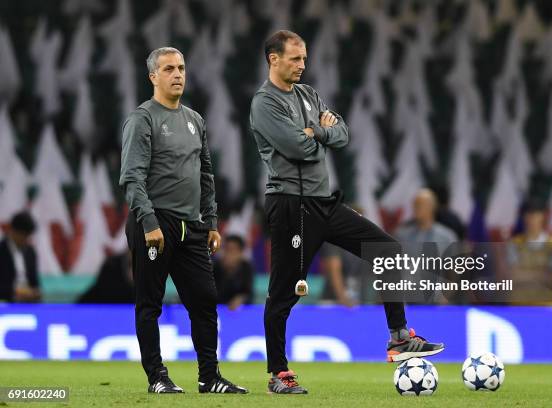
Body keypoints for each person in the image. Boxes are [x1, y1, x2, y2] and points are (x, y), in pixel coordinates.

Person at [250, 30, 444, 394]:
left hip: (324, 202)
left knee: (386, 248)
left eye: (304, 58)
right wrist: (317, 133)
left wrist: (317, 132)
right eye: (294, 59)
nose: (302, 65)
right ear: (273, 59)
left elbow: (342, 134)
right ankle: (278, 372)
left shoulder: (308, 94)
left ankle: (399, 337)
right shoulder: (265, 103)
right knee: (283, 293)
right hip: (292, 205)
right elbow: (295, 146)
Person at [119, 47, 247, 394]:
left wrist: (212, 222)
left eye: (181, 68)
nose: (178, 74)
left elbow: (206, 174)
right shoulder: (142, 119)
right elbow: (132, 177)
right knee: (150, 303)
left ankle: (210, 377)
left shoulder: (195, 119)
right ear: (153, 77)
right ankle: (156, 377)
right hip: (155, 222)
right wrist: (148, 222)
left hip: (193, 226)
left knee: (205, 301)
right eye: (169, 69)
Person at [0, 211, 41, 303]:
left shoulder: (31, 252)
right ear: (13, 231)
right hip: (6, 303)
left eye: (28, 236)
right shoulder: (1, 251)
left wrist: (35, 292)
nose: (26, 240)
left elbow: (34, 282)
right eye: (24, 235)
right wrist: (15, 293)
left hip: (29, 303)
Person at [213, 235, 254, 310]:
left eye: (232, 250)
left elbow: (249, 293)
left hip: (240, 312)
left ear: (241, 252)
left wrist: (240, 299)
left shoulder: (246, 267)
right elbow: (211, 293)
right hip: (218, 311)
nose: (229, 254)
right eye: (226, 249)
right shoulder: (216, 266)